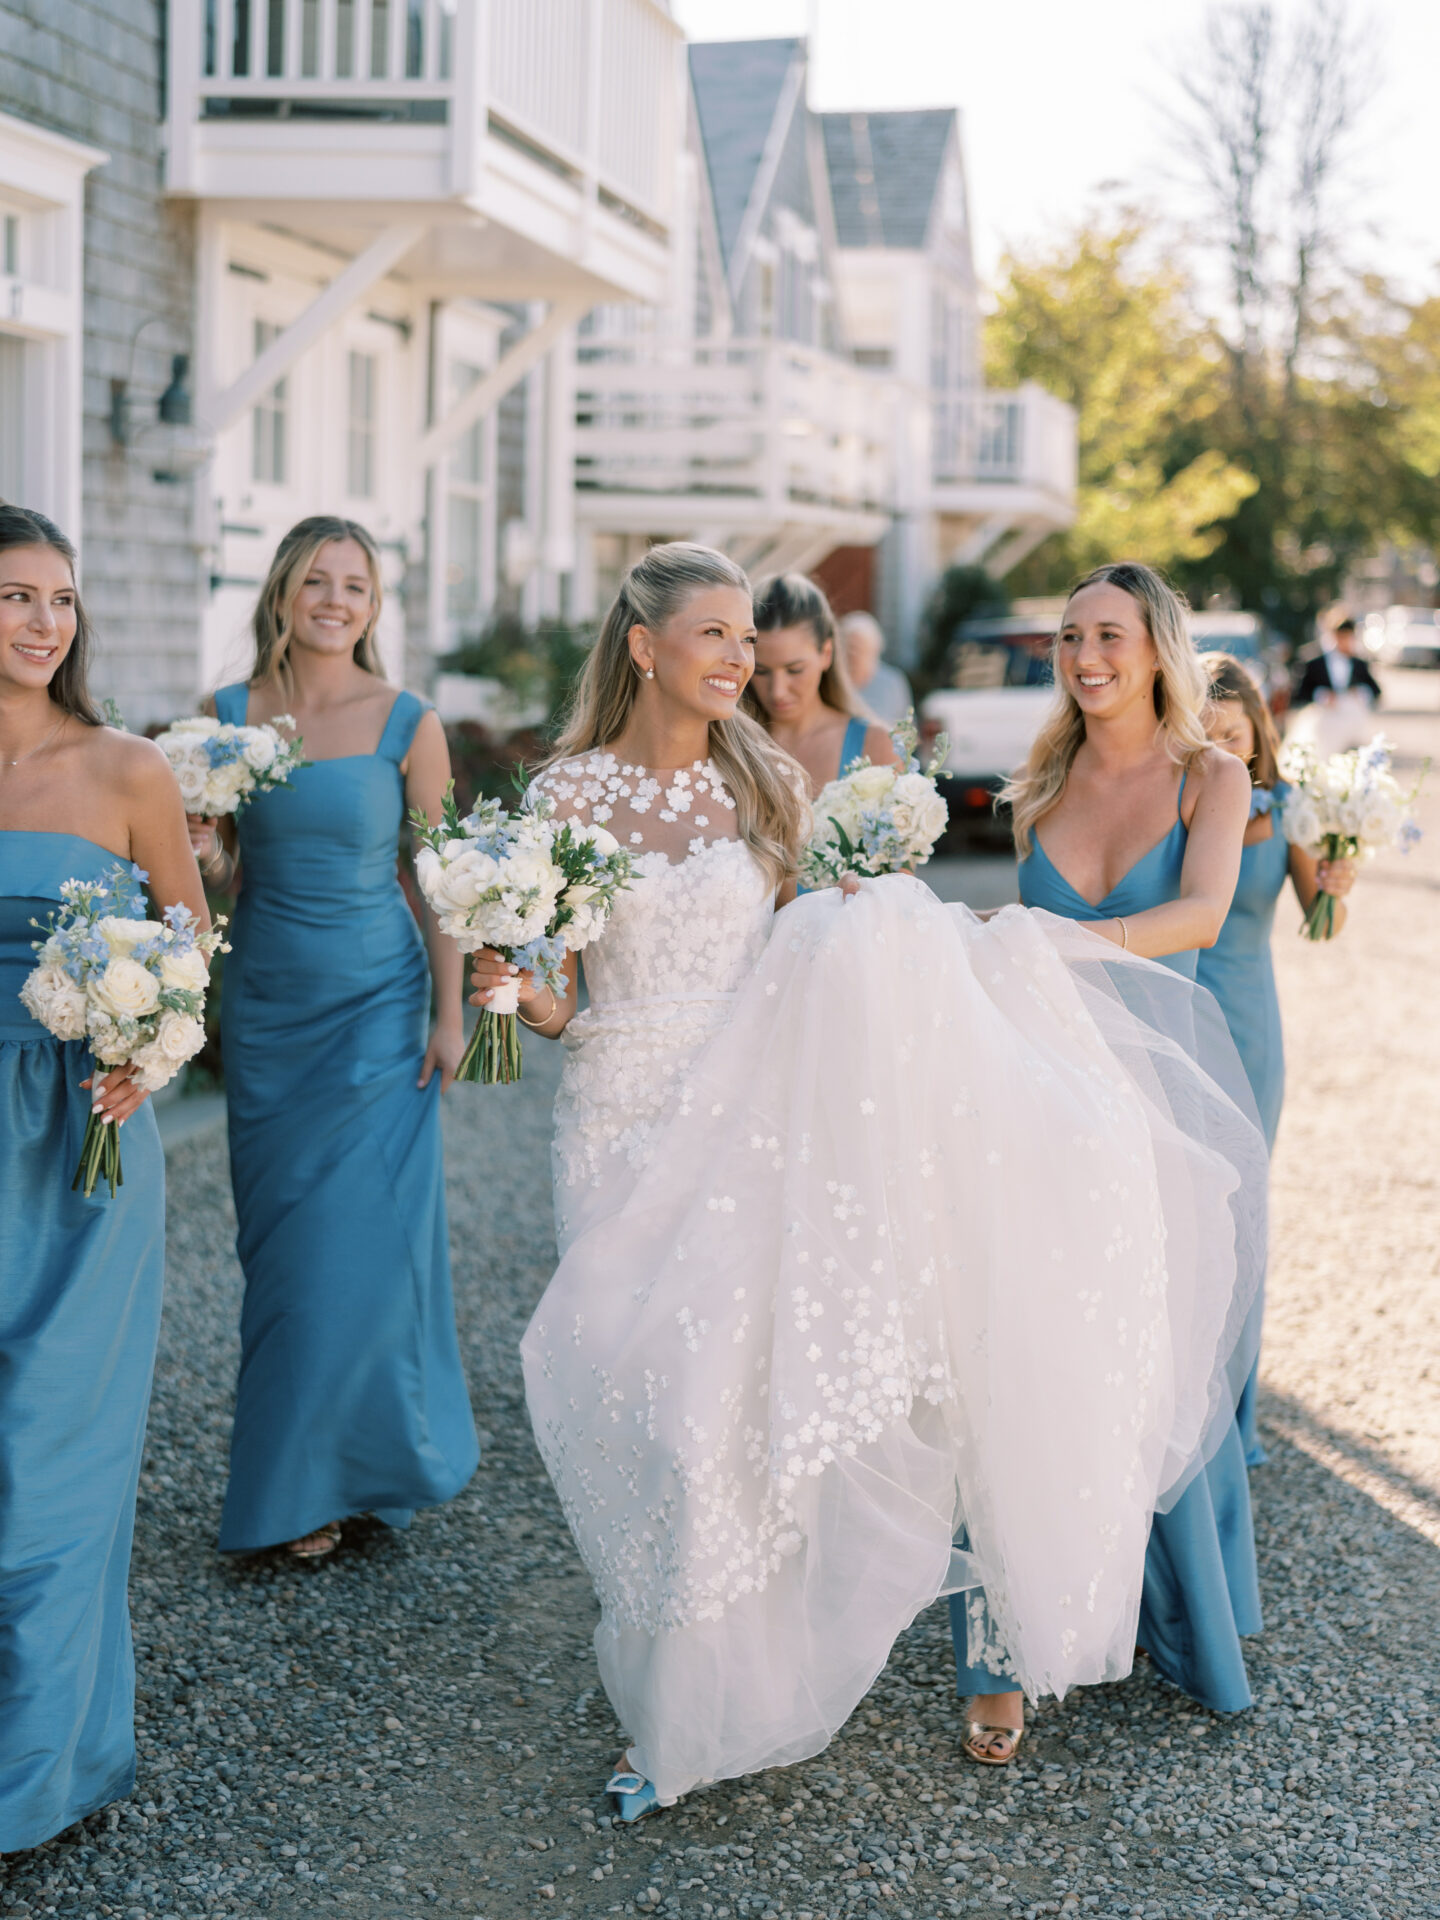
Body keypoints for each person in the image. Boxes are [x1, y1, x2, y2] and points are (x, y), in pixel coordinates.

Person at [467, 543, 1265, 1818]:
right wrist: (510, 982)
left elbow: (806, 938)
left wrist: (895, 939)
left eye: (749, 639)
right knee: (638, 1387)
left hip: (747, 1110)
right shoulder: (563, 797)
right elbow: (559, 996)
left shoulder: (767, 781)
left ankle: (690, 1710)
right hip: (616, 1108)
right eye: (716, 636)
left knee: (714, 1413)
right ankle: (690, 1658)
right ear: (643, 646)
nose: (741, 659)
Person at [951, 562, 1260, 1743]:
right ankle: (1000, 1655)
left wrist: (1061, 944)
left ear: (1158, 648)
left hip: (1148, 1116)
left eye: (1110, 636)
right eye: (1071, 637)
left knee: (1145, 1370)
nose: (1085, 657)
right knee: (1012, 1364)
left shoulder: (1210, 775)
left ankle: (1170, 1619)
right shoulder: (1039, 780)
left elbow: (1198, 918)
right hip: (1030, 1101)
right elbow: (1006, 937)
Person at [191, 516, 477, 1561]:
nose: (336, 599)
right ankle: (300, 1479)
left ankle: (359, 1473)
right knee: (284, 1255)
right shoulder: (223, 717)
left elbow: (441, 876)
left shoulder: (409, 720)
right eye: (318, 579)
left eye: (356, 585)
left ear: (374, 606)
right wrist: (201, 844)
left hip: (379, 1010)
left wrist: (449, 1015)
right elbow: (212, 871)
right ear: (282, 591)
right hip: (268, 1011)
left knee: (362, 1250)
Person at [0, 505, 209, 1850]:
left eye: (59, 599)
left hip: (85, 1136)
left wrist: (158, 1052)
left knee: (56, 1452)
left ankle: (37, 1767)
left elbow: (188, 948)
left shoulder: (129, 768)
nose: (43, 621)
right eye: (16, 596)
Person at [1200, 652, 1357, 1463]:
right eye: (1207, 733)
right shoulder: (1181, 796)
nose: (1223, 747)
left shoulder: (1293, 807)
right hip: (1181, 1019)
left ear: (1260, 732)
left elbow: (1321, 924)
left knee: (1242, 1217)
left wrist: (1339, 881)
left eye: (1235, 733)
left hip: (1252, 1027)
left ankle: (1234, 1417)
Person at [746, 574, 895, 792]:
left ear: (826, 654)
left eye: (794, 670)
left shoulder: (875, 745)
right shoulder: (729, 746)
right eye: (760, 671)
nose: (777, 691)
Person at [1289, 608, 1381, 711]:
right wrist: (1322, 696)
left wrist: (1359, 692)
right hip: (1322, 720)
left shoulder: (1359, 664)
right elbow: (1301, 694)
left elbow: (1376, 691)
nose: (1345, 642)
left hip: (1351, 720)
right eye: (1341, 637)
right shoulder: (1315, 664)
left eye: (1348, 637)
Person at [838, 609, 914, 727]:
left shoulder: (893, 682)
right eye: (847, 648)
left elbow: (907, 731)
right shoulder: (832, 680)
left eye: (857, 649)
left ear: (875, 651)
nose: (852, 655)